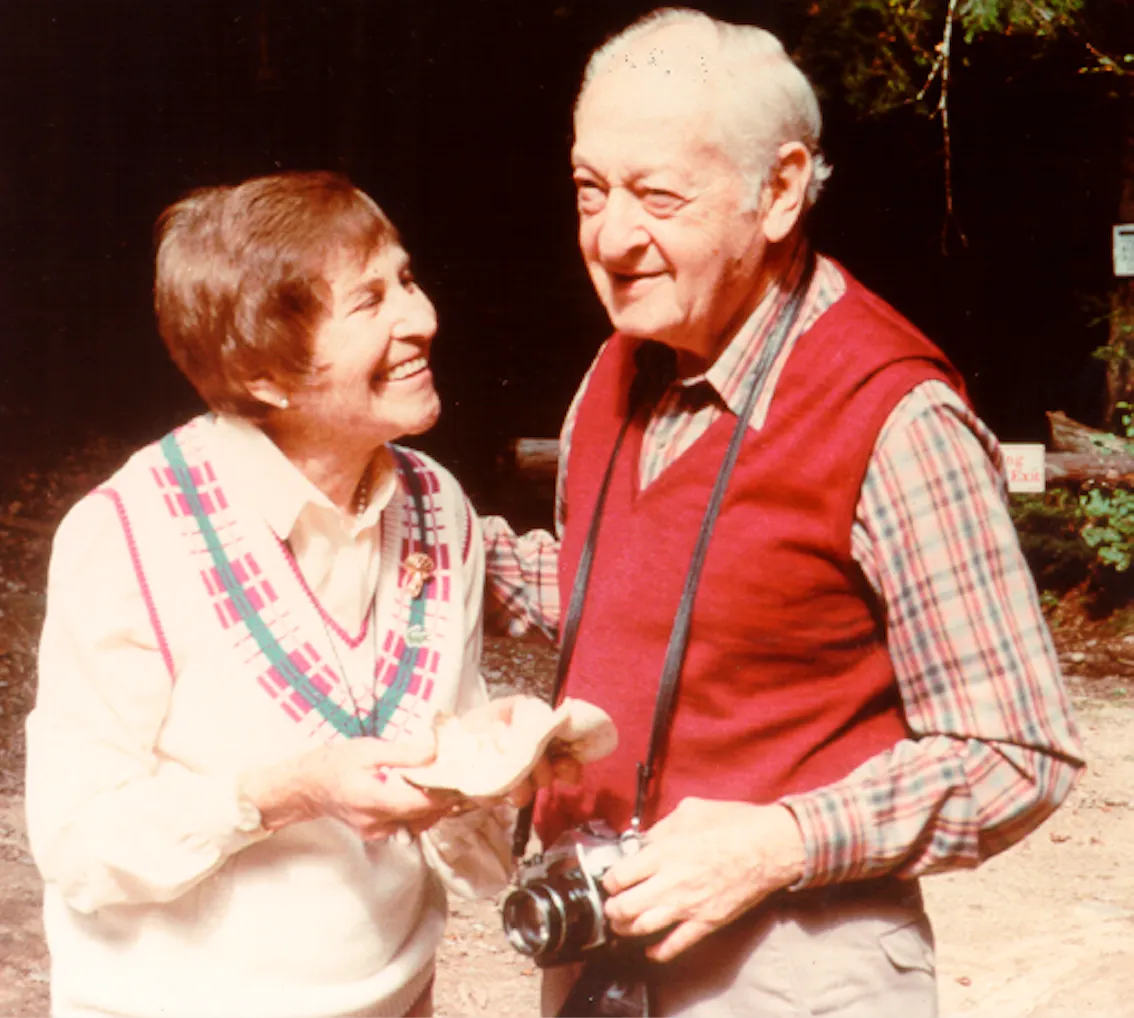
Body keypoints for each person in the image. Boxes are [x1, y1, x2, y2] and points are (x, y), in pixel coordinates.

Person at [483, 8, 1085, 1017]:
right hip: (602, 958)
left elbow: (1020, 750)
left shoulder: (892, 413)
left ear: (779, 190)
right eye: (591, 190)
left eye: (658, 196)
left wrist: (779, 841)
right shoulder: (615, 374)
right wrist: (417, 540)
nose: (613, 237)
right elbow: (649, 588)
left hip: (795, 962)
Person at [26, 171, 539, 1018]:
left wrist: (487, 765)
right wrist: (289, 791)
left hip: (398, 1000)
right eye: (370, 301)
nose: (422, 319)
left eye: (406, 280)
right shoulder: (126, 533)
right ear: (264, 375)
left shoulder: (438, 506)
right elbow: (79, 841)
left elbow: (448, 802)